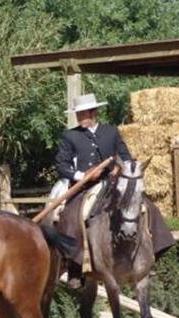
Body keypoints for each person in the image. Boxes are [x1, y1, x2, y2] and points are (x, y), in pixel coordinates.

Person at [53, 93, 132, 288]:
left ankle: (145, 253)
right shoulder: (70, 136)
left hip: (111, 182)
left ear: (94, 112)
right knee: (74, 215)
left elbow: (125, 156)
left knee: (139, 206)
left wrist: (121, 168)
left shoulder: (110, 132)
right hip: (85, 186)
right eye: (78, 114)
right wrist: (83, 176)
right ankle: (75, 265)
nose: (81, 117)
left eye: (84, 113)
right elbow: (62, 165)